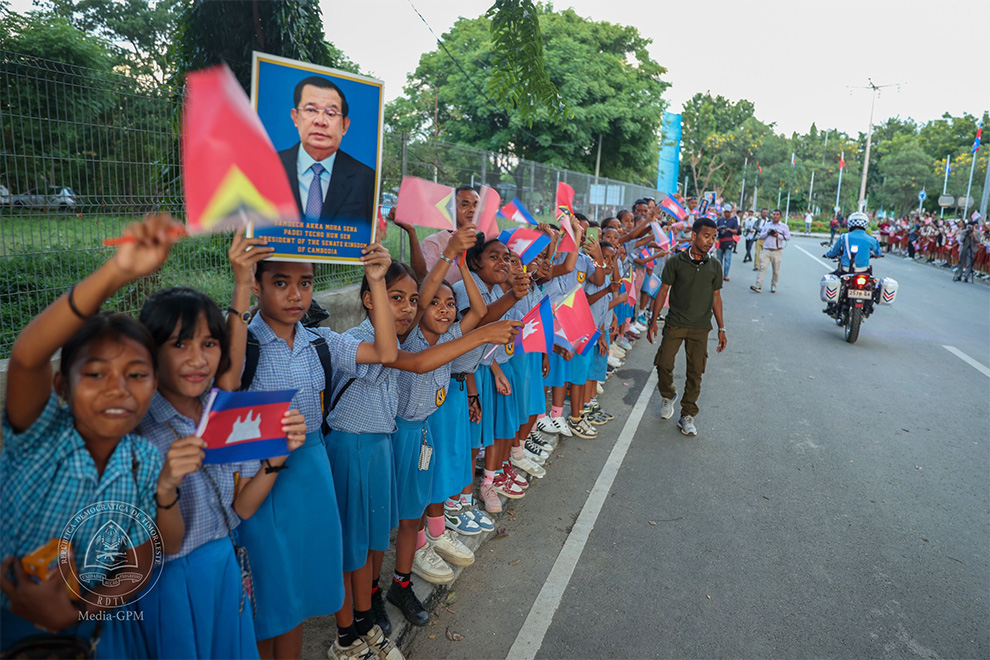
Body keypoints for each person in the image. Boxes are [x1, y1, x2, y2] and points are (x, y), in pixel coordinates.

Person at [0, 214, 181, 657]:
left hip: (80, 633)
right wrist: (116, 272)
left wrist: (78, 608)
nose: (118, 388)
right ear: (62, 386)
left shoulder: (143, 460)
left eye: (136, 374)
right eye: (96, 373)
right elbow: (27, 358)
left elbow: (138, 559)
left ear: (154, 386)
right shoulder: (40, 435)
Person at [645, 217, 726, 438]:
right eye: (706, 236)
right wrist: (654, 320)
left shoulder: (714, 266)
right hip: (675, 323)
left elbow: (716, 297)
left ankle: (687, 414)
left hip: (700, 327)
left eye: (713, 237)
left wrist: (721, 328)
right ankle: (668, 394)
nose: (710, 241)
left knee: (696, 371)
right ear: (694, 236)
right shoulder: (676, 262)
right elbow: (663, 291)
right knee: (663, 363)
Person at [278, 76, 375, 226]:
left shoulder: (367, 180)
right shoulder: (268, 167)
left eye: (331, 114)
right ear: (295, 117)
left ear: (344, 126)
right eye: (311, 110)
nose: (320, 121)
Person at [420, 186, 480, 285]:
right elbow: (424, 282)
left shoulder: (484, 243)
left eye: (476, 205)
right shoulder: (433, 243)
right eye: (465, 205)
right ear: (451, 209)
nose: (472, 210)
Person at [750, 209, 791, 293]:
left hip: (777, 251)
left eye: (777, 214)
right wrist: (767, 233)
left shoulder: (784, 226)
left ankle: (773, 286)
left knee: (775, 270)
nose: (775, 216)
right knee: (762, 267)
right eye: (774, 214)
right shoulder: (767, 225)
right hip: (766, 250)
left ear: (780, 216)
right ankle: (758, 285)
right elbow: (761, 236)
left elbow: (788, 237)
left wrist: (778, 235)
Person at [715, 205, 739, 281]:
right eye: (725, 212)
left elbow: (736, 231)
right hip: (720, 240)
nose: (726, 214)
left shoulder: (734, 220)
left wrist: (728, 229)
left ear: (730, 212)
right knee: (719, 259)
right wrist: (719, 228)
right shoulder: (720, 220)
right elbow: (716, 229)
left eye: (728, 212)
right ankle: (718, 274)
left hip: (729, 240)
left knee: (727, 259)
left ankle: (725, 274)